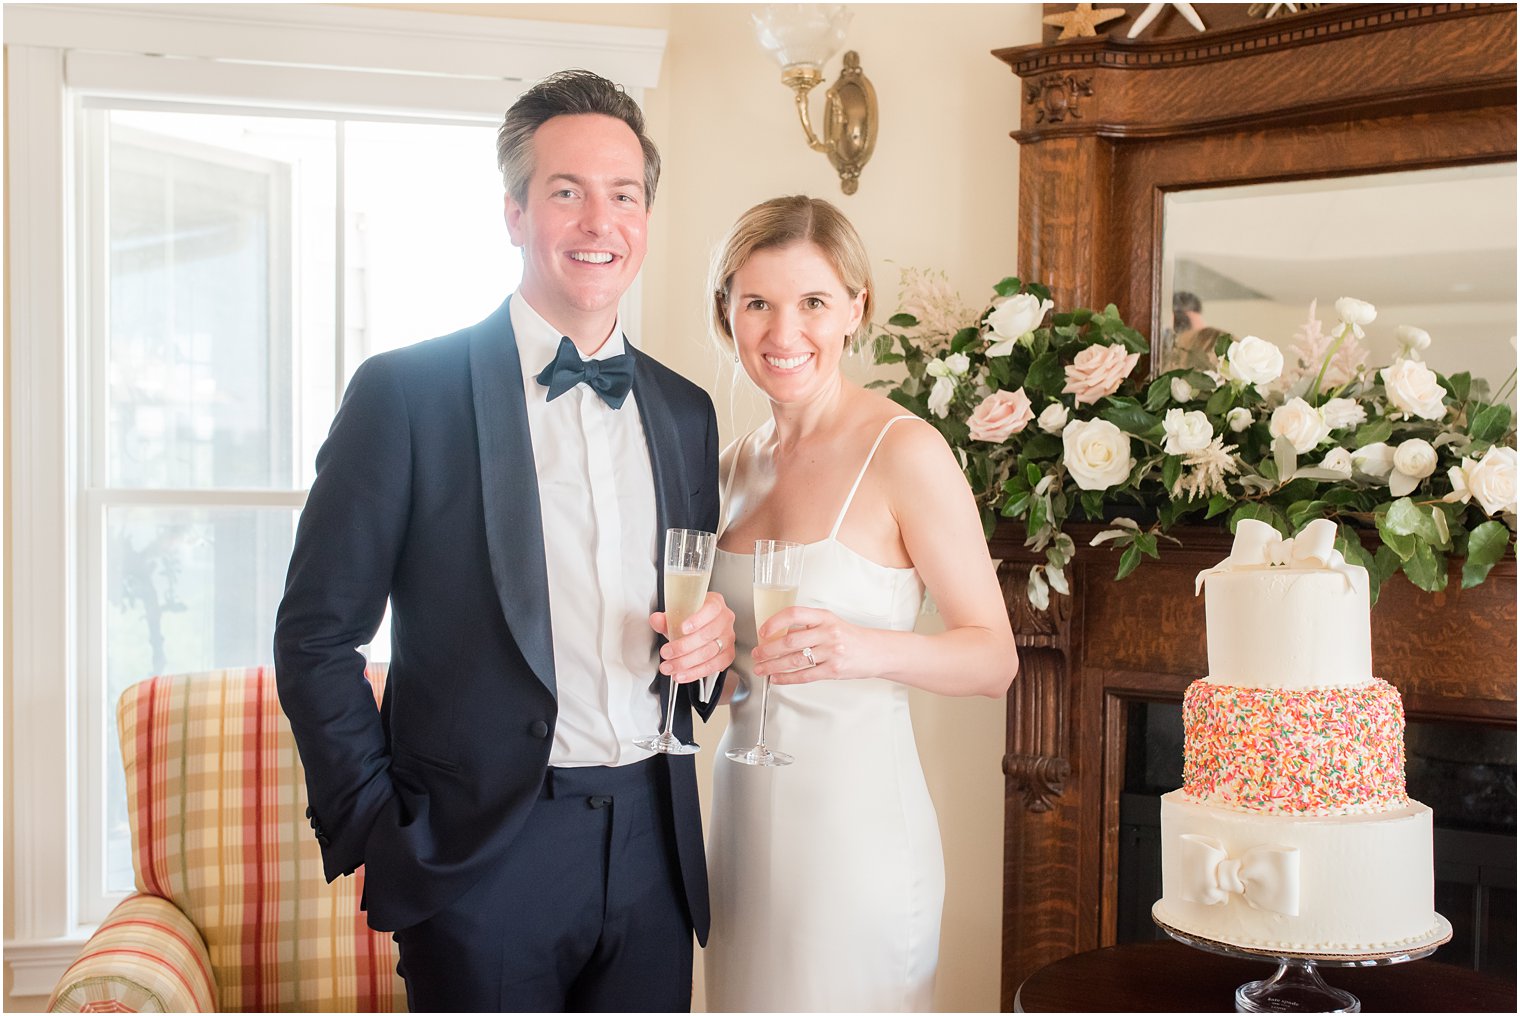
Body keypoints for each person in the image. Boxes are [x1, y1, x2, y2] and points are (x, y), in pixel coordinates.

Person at [273, 70, 737, 1013]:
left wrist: (711, 654)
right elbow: (316, 636)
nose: (598, 221)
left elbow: (687, 627)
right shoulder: (406, 394)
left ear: (646, 217)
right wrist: (378, 825)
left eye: (624, 195)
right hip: (480, 859)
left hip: (654, 846)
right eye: (566, 192)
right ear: (515, 214)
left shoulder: (686, 412)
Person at [701, 195, 1020, 1011]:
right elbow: (724, 665)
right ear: (728, 315)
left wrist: (867, 648)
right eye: (758, 303)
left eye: (813, 302)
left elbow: (993, 657)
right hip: (739, 819)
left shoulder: (905, 450)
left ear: (856, 309)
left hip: (855, 834)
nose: (784, 332)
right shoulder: (730, 466)